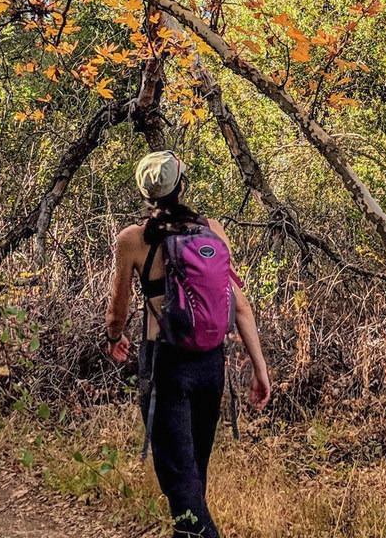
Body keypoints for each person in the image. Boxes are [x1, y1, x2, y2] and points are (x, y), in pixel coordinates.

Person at [105, 152, 272, 538]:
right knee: (194, 471)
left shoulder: (132, 240)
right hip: (211, 365)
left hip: (165, 366)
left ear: (145, 193)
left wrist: (114, 337)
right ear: (182, 186)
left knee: (180, 481)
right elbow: (240, 306)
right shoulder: (212, 230)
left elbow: (117, 311)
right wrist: (259, 367)